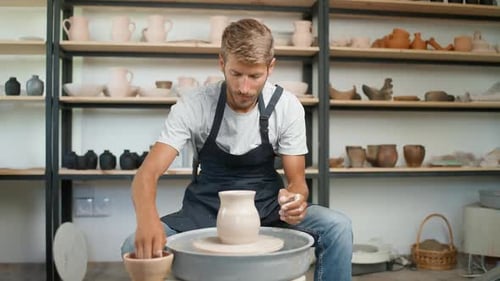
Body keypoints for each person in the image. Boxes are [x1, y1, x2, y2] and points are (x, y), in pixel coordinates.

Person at [121, 18, 353, 281]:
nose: (244, 88)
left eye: (255, 76)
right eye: (236, 74)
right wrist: (147, 219)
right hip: (205, 211)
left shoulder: (287, 107)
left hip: (268, 209)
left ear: (270, 67)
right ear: (222, 63)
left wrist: (295, 202)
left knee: (338, 226)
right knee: (133, 246)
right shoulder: (194, 105)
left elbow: (297, 183)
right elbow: (146, 175)